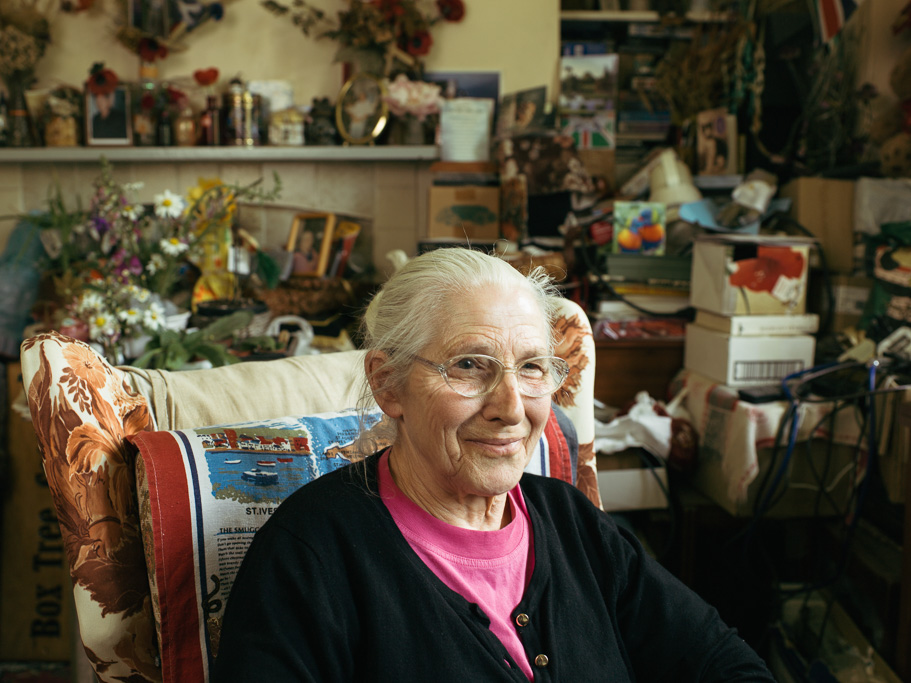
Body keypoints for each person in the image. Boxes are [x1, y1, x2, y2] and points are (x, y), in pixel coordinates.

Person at [212, 248, 775, 682]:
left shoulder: (572, 522)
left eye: (531, 368)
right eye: (469, 365)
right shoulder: (310, 554)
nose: (511, 409)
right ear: (388, 384)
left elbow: (721, 662)